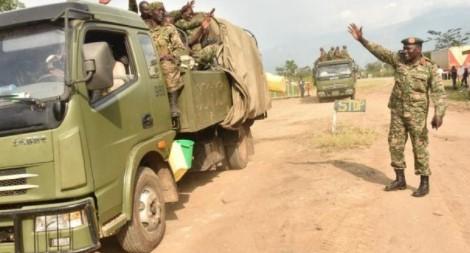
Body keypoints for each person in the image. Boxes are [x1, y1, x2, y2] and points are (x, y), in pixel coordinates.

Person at [348, 23, 447, 197]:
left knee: (420, 147)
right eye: (404, 48)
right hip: (397, 113)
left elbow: (439, 92)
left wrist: (439, 113)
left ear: (418, 49)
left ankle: (424, 183)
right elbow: (380, 51)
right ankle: (400, 179)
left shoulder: (429, 67)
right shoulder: (398, 60)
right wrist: (362, 40)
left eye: (409, 49)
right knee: (395, 144)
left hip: (417, 115)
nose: (405, 51)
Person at [150, 2, 190, 118]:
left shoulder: (169, 29)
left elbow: (180, 47)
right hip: (151, 61)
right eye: (159, 10)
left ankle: (173, 104)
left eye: (163, 10)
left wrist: (171, 56)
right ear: (152, 13)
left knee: (166, 65)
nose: (162, 13)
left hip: (166, 62)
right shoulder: (146, 31)